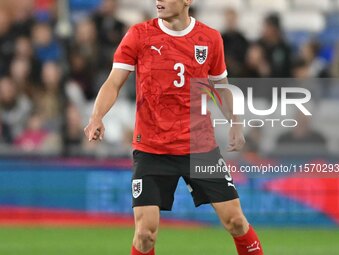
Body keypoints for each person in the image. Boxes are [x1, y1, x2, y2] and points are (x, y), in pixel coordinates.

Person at [84, 1, 264, 255]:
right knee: (145, 233)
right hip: (152, 148)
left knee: (235, 220)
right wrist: (96, 116)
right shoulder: (139, 34)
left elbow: (221, 88)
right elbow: (114, 82)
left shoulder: (210, 39)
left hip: (199, 146)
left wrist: (235, 122)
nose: (159, 1)